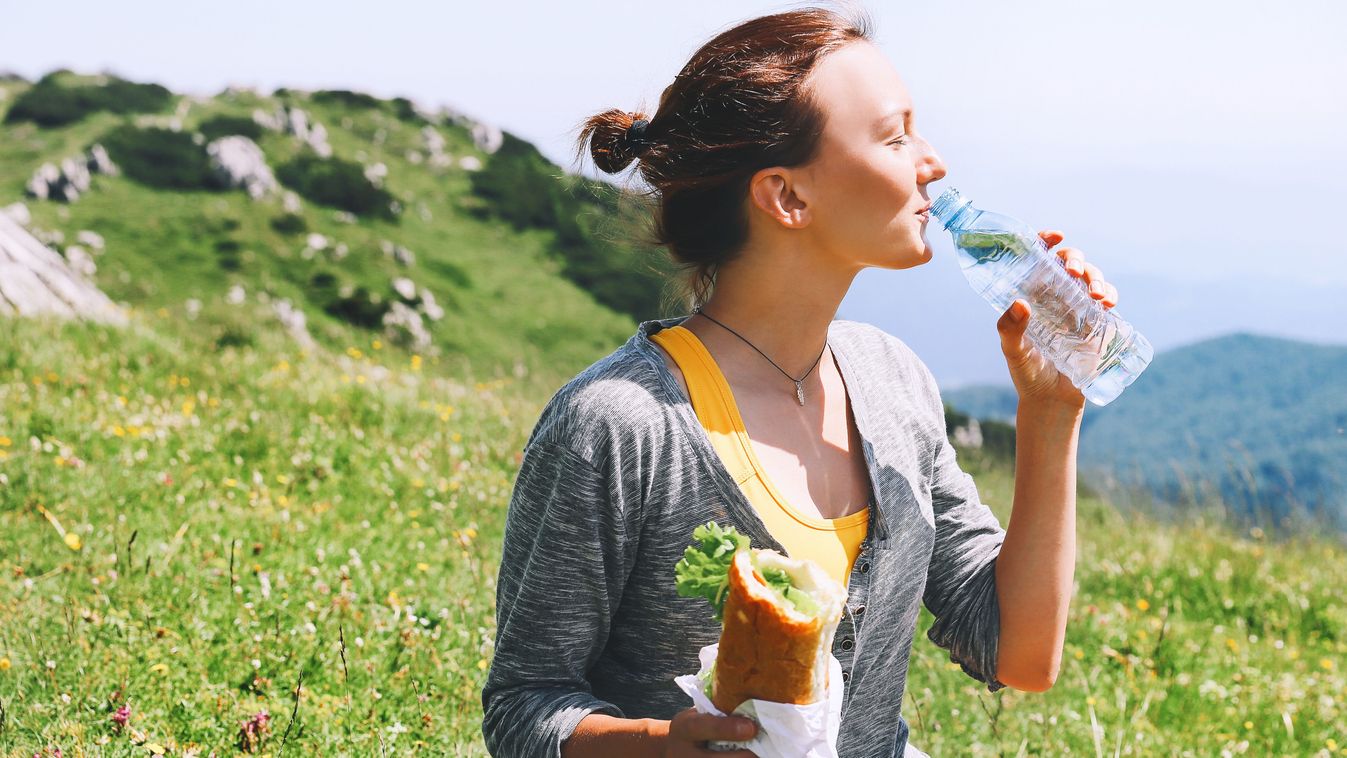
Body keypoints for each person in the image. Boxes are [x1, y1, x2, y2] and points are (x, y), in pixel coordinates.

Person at [482, 5, 1119, 757]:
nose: (932, 162)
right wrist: (658, 743)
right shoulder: (619, 426)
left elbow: (1019, 654)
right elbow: (524, 707)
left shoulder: (893, 384)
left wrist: (1051, 414)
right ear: (787, 197)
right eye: (894, 136)